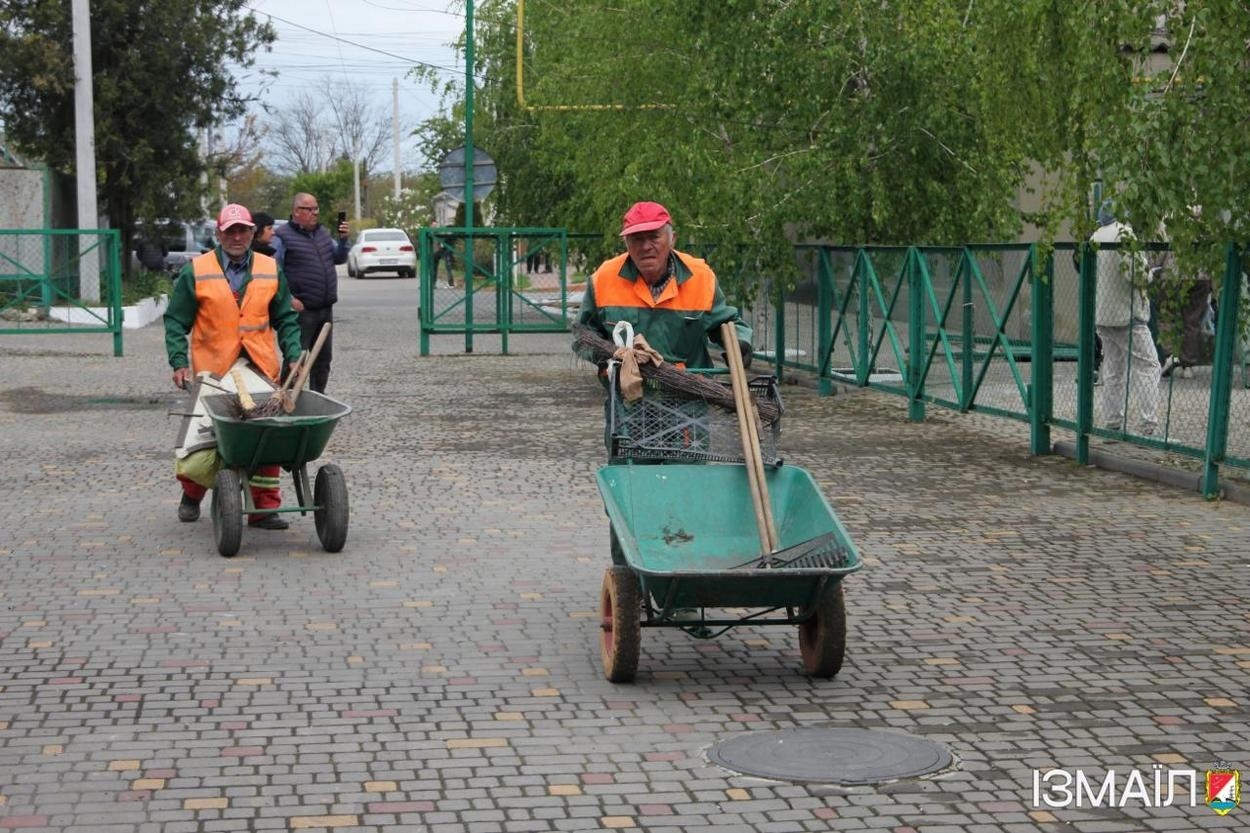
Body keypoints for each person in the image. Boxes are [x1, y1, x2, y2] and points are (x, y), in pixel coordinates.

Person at [163, 203, 303, 529]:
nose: (237, 236)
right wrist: (179, 362)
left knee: (265, 433)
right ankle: (192, 494)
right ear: (219, 234)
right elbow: (175, 321)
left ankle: (263, 509)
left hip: (258, 367)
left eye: (243, 230)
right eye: (230, 231)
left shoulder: (270, 269)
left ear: (253, 233)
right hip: (213, 369)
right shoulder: (195, 271)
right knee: (204, 438)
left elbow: (286, 318)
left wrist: (293, 353)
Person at [576, 200, 752, 370]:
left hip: (690, 393)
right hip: (626, 395)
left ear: (672, 239)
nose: (646, 246)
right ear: (626, 243)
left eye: (654, 237)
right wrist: (610, 356)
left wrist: (739, 343)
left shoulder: (700, 278)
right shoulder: (604, 279)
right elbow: (582, 333)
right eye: (637, 239)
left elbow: (726, 323)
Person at [1091, 200, 1159, 434]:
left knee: (1112, 368)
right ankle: (1148, 424)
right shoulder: (1125, 234)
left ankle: (1112, 423)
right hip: (1127, 314)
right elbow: (1138, 275)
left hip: (1102, 314)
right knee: (1149, 365)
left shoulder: (1095, 237)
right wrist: (1150, 274)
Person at [272, 193, 349, 393]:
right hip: (301, 311)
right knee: (295, 359)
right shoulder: (282, 237)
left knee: (323, 360)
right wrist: (288, 298)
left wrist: (343, 240)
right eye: (310, 209)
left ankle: (317, 398)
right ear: (297, 211)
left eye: (316, 209)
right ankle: (286, 397)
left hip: (325, 308)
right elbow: (273, 272)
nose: (316, 213)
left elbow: (339, 258)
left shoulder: (322, 233)